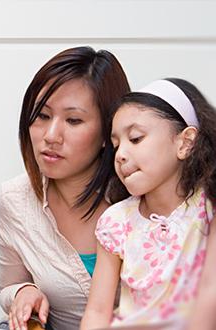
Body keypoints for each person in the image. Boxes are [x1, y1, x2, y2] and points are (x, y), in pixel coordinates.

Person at [0, 46, 130, 330]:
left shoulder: (141, 198)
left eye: (73, 120)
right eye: (42, 116)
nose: (51, 136)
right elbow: (9, 285)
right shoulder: (14, 200)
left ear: (109, 131)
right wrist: (23, 292)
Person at [80, 78, 216, 329]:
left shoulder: (207, 209)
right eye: (116, 145)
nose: (120, 155)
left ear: (185, 143)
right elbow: (98, 311)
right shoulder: (116, 221)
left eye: (136, 138)